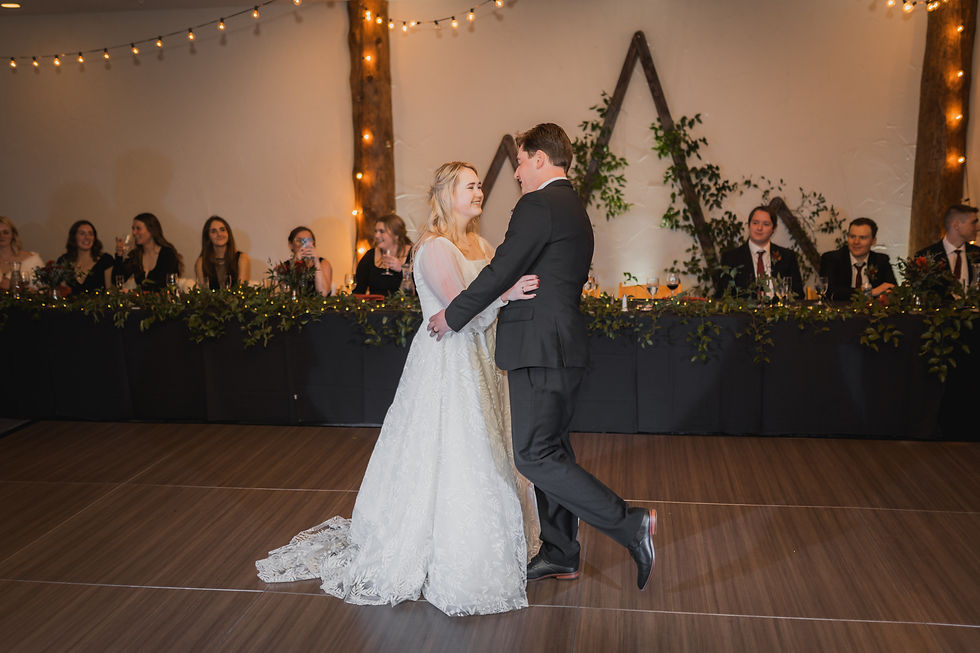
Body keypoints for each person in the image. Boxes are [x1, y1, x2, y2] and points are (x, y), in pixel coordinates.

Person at [257, 162, 540, 616]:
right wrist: (507, 295)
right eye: (471, 186)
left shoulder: (481, 244)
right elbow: (459, 308)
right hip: (447, 363)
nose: (479, 192)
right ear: (448, 194)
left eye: (480, 185)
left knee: (485, 448)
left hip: (482, 360)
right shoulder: (432, 247)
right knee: (452, 449)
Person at [427, 123, 658, 591]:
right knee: (551, 450)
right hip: (560, 346)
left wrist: (452, 315)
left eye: (520, 161)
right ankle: (560, 552)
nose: (515, 173)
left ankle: (629, 523)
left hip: (540, 347)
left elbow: (500, 271)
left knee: (533, 456)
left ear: (538, 158)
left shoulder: (539, 204)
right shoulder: (573, 206)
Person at [715, 206, 804, 299]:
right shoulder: (731, 258)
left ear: (774, 228)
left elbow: (798, 295)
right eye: (755, 223)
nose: (759, 228)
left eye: (766, 224)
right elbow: (722, 296)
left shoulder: (787, 257)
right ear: (749, 225)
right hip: (744, 312)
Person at [819, 217, 896, 301]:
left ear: (873, 241)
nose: (856, 242)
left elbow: (892, 289)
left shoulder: (881, 260)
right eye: (852, 236)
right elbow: (830, 291)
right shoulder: (831, 259)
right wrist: (870, 292)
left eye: (862, 238)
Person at [914, 204, 980, 292]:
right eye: (974, 222)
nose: (978, 227)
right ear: (956, 225)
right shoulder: (925, 256)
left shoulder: (977, 253)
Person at [113, 212, 182, 291]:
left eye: (138, 228)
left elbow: (165, 286)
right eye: (133, 228)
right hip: (140, 302)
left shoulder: (167, 254)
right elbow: (117, 281)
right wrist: (119, 256)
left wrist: (133, 293)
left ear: (151, 230)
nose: (134, 232)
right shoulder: (135, 255)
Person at [354, 214, 414, 296]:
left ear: (396, 234)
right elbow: (359, 291)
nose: (376, 235)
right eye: (375, 231)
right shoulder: (370, 256)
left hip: (405, 307)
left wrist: (401, 270)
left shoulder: (413, 255)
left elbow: (420, 290)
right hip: (375, 308)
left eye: (381, 231)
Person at [56, 220, 114, 292]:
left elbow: (111, 292)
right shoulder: (64, 261)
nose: (87, 237)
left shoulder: (106, 260)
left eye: (90, 234)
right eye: (82, 233)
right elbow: (58, 292)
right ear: (74, 237)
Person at [194, 216, 250, 290]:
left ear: (228, 233)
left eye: (222, 230)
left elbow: (241, 290)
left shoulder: (242, 259)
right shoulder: (201, 262)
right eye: (214, 231)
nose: (219, 234)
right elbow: (204, 294)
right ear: (208, 236)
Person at [284, 226, 332, 296]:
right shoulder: (284, 267)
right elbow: (287, 294)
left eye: (308, 241)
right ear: (290, 245)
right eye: (299, 241)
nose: (303, 245)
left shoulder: (323, 263)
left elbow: (323, 292)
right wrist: (296, 263)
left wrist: (316, 261)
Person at [0, 215, 44, 292]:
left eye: (5, 232)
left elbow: (42, 289)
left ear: (13, 235)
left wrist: (17, 287)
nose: (1, 236)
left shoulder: (33, 261)